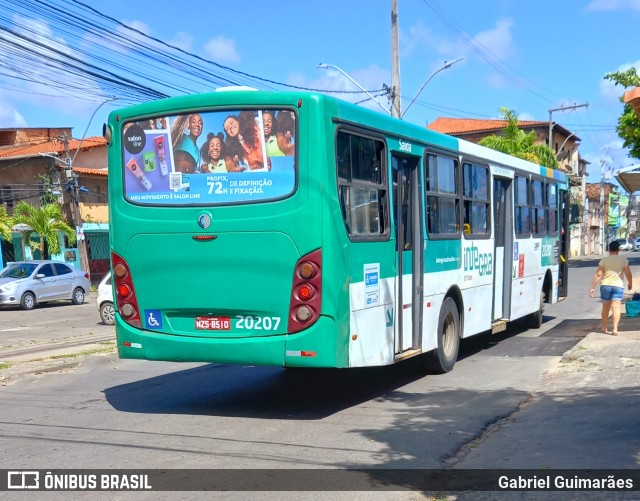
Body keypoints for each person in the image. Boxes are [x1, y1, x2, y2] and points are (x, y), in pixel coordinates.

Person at [589, 240, 633, 335]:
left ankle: (604, 328)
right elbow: (628, 274)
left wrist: (592, 287)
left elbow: (598, 275)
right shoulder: (624, 260)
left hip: (605, 286)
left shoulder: (604, 260)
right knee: (616, 307)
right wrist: (630, 283)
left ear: (609, 250)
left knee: (605, 307)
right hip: (618, 286)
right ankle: (615, 329)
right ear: (618, 250)